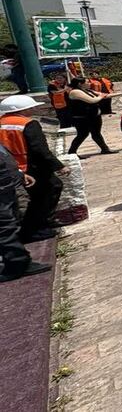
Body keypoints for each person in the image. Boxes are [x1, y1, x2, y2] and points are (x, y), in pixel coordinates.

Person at [0, 95, 68, 242]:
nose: (34, 109)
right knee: (47, 192)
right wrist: (58, 166)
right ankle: (36, 228)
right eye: (31, 107)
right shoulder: (28, 124)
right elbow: (39, 149)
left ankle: (41, 224)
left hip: (9, 167)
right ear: (22, 110)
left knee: (36, 195)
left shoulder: (2, 122)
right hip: (30, 165)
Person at [0, 144, 52, 283]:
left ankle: (18, 262)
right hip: (4, 187)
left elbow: (5, 157)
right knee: (5, 225)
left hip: (6, 186)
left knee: (7, 224)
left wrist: (19, 173)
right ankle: (17, 262)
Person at [66, 77, 118, 157]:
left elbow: (105, 95)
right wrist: (100, 97)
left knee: (96, 133)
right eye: (87, 82)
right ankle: (72, 152)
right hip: (82, 118)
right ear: (80, 84)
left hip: (93, 116)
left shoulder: (88, 90)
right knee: (82, 134)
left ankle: (104, 149)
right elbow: (92, 100)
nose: (90, 83)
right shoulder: (75, 92)